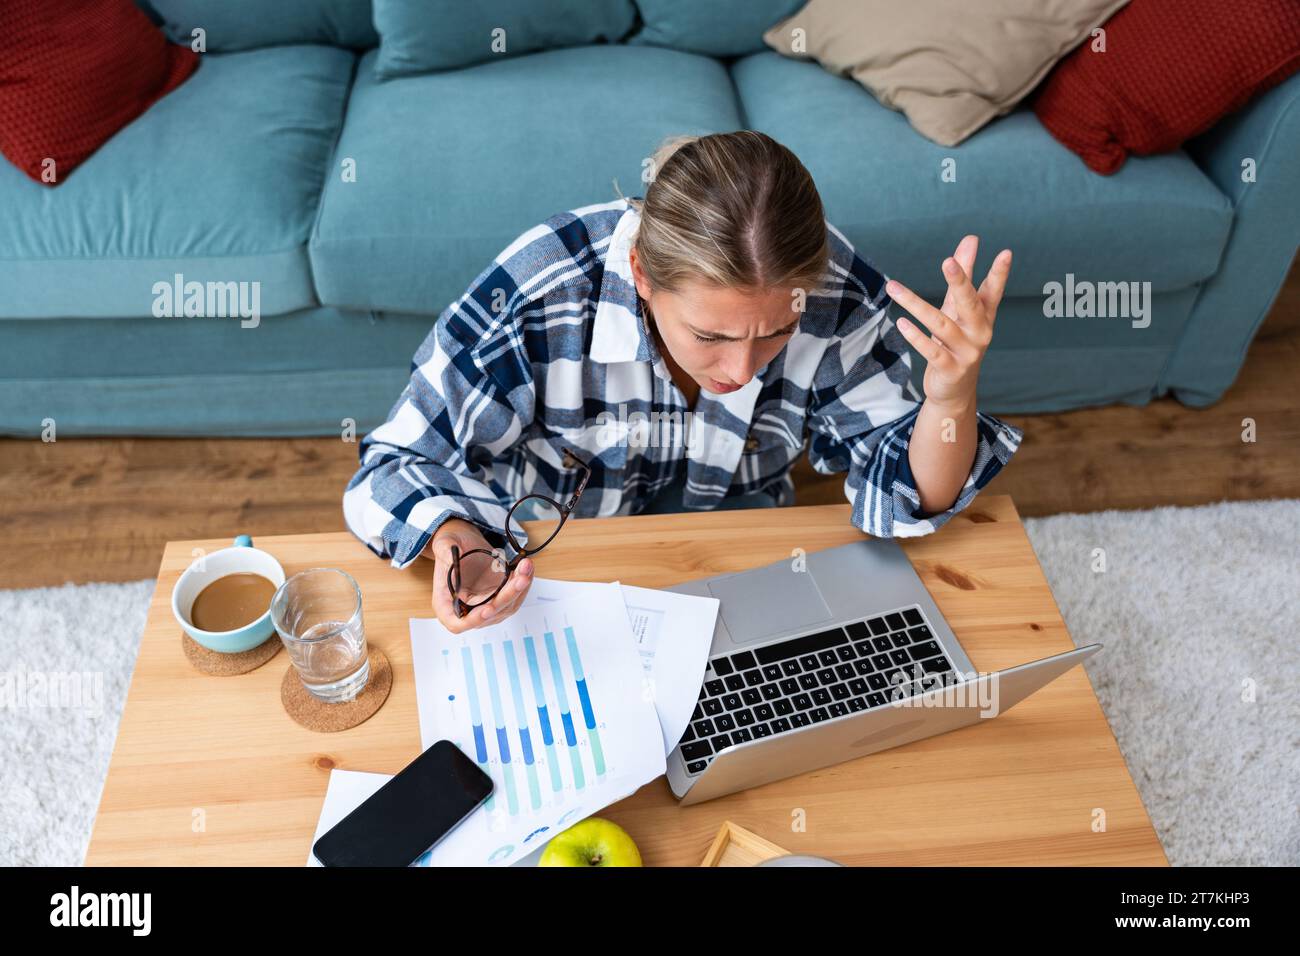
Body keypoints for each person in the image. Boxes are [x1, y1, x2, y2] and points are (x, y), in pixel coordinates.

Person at [343, 131, 1022, 632]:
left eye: (774, 335)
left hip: (736, 540)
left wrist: (950, 395)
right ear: (642, 273)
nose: (740, 372)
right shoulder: (536, 289)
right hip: (554, 557)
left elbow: (907, 492)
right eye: (712, 336)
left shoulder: (835, 290)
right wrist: (454, 539)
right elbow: (392, 466)